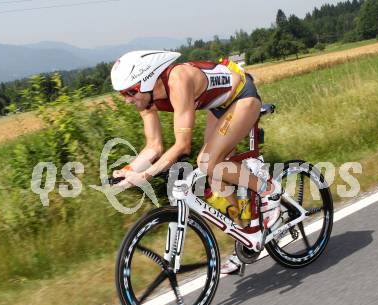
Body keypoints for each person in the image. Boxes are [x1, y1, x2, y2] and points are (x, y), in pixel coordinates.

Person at [110, 50, 281, 274]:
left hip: (242, 96)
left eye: (130, 91)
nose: (127, 99)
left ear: (148, 79)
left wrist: (144, 176)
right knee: (216, 180)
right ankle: (247, 236)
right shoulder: (146, 99)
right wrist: (128, 171)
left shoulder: (178, 81)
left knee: (206, 162)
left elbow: (183, 146)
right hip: (219, 106)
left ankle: (268, 190)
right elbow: (153, 147)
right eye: (123, 93)